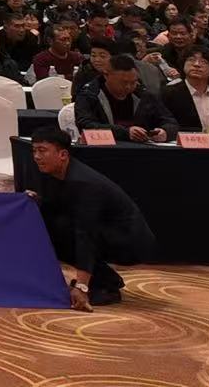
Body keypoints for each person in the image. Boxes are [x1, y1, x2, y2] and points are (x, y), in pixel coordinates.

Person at [24, 125, 155, 308]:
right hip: (105, 232)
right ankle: (105, 278)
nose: (37, 156)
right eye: (34, 151)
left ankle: (105, 284)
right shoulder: (54, 173)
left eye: (42, 150)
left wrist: (81, 286)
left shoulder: (84, 183)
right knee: (49, 226)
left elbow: (86, 234)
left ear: (63, 154)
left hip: (130, 241)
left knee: (68, 234)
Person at [77, 56, 175, 144]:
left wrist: (165, 132)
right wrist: (125, 133)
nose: (128, 87)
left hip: (142, 149)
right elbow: (85, 124)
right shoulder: (89, 94)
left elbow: (170, 121)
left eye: (133, 82)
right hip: (103, 149)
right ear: (106, 75)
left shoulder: (143, 95)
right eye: (123, 82)